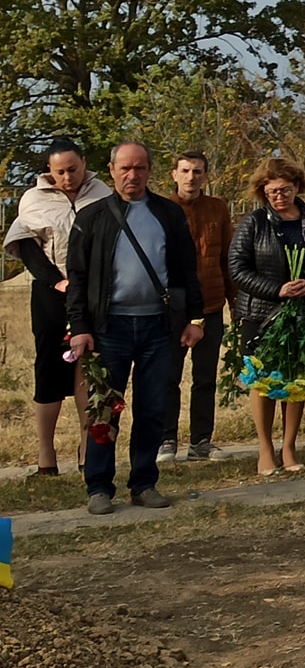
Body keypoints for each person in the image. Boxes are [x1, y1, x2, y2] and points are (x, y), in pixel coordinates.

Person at [64, 142, 206, 515]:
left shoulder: (168, 214)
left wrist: (194, 319)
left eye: (140, 168)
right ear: (111, 170)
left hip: (158, 328)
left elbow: (187, 270)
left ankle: (144, 483)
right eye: (125, 168)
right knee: (104, 410)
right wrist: (80, 326)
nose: (133, 175)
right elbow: (77, 278)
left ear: (150, 171)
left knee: (152, 406)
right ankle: (99, 487)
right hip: (109, 328)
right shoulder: (92, 217)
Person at [4, 139, 114, 476]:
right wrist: (56, 280)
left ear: (84, 163)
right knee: (50, 369)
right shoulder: (33, 199)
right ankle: (46, 455)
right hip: (52, 294)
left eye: (73, 169)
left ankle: (87, 451)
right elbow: (26, 246)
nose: (68, 177)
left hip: (94, 292)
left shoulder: (102, 194)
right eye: (60, 172)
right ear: (49, 173)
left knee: (89, 366)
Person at [227, 158, 305, 475]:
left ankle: (289, 447)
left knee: (297, 379)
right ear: (263, 191)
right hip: (261, 313)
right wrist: (277, 290)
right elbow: (237, 269)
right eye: (273, 191)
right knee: (263, 380)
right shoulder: (253, 223)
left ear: (297, 188)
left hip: (302, 314)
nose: (280, 197)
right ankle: (265, 449)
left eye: (286, 190)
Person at [163, 151, 233, 463]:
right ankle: (166, 439)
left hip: (211, 304)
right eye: (186, 171)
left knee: (205, 377)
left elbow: (228, 259)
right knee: (168, 376)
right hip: (173, 308)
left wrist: (236, 303)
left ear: (206, 176)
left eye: (198, 171)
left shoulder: (217, 208)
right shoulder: (161, 209)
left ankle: (201, 441)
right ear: (174, 174)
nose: (191, 177)